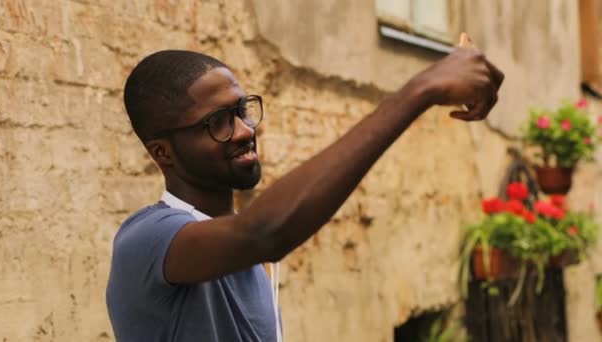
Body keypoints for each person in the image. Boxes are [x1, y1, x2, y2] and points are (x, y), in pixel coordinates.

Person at [106, 41, 504, 341]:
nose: (245, 131)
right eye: (217, 122)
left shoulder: (239, 251)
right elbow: (265, 232)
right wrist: (422, 89)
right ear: (163, 152)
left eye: (242, 110)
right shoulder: (148, 240)